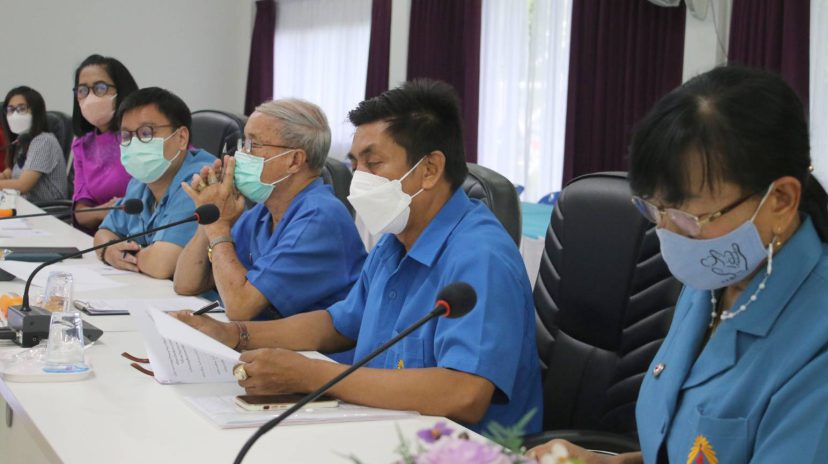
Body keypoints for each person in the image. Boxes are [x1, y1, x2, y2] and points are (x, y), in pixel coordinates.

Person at [175, 80, 543, 433]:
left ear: (429, 170)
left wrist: (312, 375)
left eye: (374, 163)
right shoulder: (395, 241)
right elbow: (339, 324)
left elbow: (464, 394)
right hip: (379, 426)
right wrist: (235, 334)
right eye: (355, 164)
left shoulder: (481, 256)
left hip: (453, 448)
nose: (359, 178)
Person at [529, 66, 828, 463]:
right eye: (655, 209)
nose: (666, 231)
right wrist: (609, 462)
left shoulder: (826, 338)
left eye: (687, 217)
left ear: (780, 200)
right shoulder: (714, 277)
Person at [173, 98, 366, 322]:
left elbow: (239, 307)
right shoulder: (263, 212)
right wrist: (211, 215)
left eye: (253, 145)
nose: (239, 155)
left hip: (309, 344)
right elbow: (185, 284)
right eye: (243, 143)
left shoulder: (319, 218)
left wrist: (219, 227)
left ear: (294, 160)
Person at [94, 87, 216, 279]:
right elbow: (104, 233)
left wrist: (125, 255)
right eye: (126, 136)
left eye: (146, 133)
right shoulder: (140, 182)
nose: (134, 144)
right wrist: (108, 251)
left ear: (181, 138)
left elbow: (162, 264)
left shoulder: (200, 180)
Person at [71, 54, 139, 232]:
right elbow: (80, 214)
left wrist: (98, 212)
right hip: (100, 234)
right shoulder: (82, 145)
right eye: (82, 90)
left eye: (100, 88)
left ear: (121, 90)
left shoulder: (142, 136)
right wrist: (106, 210)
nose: (90, 97)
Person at [0, 87, 67, 202]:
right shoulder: (23, 141)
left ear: (36, 111)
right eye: (10, 109)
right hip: (25, 206)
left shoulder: (43, 141)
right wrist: (4, 176)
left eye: (21, 108)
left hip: (48, 210)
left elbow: (23, 185)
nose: (14, 114)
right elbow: (10, 173)